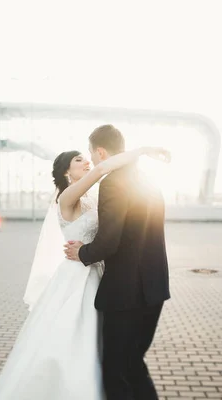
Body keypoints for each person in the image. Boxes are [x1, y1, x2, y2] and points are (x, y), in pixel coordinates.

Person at [0, 134, 170, 400]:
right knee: (74, 342)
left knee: (105, 350)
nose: (85, 162)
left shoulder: (92, 199)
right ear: (66, 172)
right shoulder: (66, 198)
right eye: (78, 160)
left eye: (86, 157)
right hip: (76, 277)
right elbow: (101, 169)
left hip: (97, 273)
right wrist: (143, 149)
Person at [65, 124, 171, 400]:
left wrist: (83, 253)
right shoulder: (148, 179)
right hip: (155, 287)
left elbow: (109, 240)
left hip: (126, 295)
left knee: (115, 373)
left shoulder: (113, 182)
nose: (92, 160)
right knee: (134, 366)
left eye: (91, 153)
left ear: (101, 152)